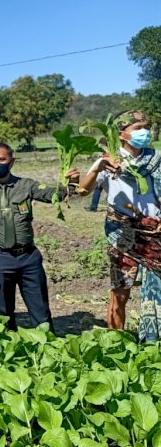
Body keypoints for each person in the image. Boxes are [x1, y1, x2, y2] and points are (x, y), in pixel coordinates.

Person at [0, 143, 79, 331]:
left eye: (1, 159)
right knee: (4, 311)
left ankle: (47, 348)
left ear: (12, 161)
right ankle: (8, 350)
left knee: (40, 310)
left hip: (29, 258)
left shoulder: (27, 185)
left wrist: (71, 183)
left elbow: (53, 195)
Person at [77, 109, 161, 338]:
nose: (145, 132)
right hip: (123, 233)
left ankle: (154, 339)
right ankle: (116, 341)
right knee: (121, 291)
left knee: (158, 289)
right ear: (122, 134)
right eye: (138, 128)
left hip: (155, 233)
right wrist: (98, 168)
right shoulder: (108, 161)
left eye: (147, 127)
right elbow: (83, 191)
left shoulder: (156, 158)